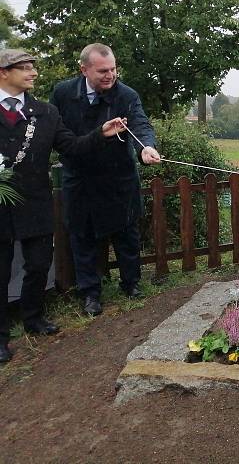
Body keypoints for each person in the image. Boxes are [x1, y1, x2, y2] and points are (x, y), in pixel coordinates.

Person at [0, 49, 126, 363]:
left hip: (35, 202)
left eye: (32, 67)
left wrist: (101, 134)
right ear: (4, 73)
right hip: (1, 206)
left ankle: (33, 317)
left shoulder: (45, 113)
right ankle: (1, 336)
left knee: (39, 265)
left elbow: (70, 145)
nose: (33, 73)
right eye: (25, 68)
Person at [50, 43, 160, 316]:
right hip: (80, 177)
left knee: (126, 234)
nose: (110, 75)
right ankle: (90, 292)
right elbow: (56, 133)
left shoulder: (127, 95)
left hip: (118, 177)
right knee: (82, 236)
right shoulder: (63, 93)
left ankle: (131, 283)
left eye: (113, 69)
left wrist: (146, 147)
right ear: (83, 69)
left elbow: (140, 124)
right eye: (102, 71)